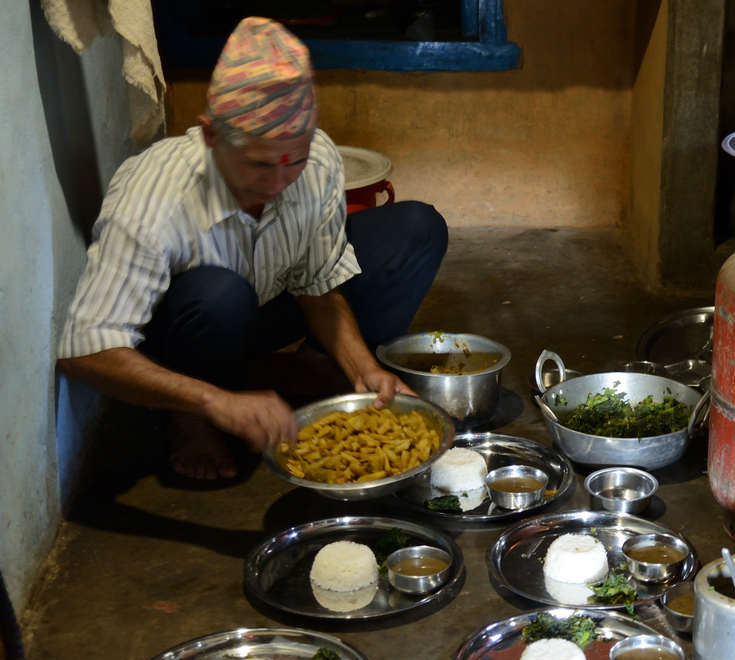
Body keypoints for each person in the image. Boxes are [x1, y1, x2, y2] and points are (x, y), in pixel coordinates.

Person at [57, 17, 447, 481]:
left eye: (294, 161)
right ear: (210, 136)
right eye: (259, 165)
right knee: (218, 294)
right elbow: (84, 350)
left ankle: (298, 374)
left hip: (266, 303)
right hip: (193, 328)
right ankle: (192, 414)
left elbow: (319, 286)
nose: (280, 182)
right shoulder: (153, 199)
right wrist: (212, 400)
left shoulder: (316, 160)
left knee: (416, 227)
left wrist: (364, 370)